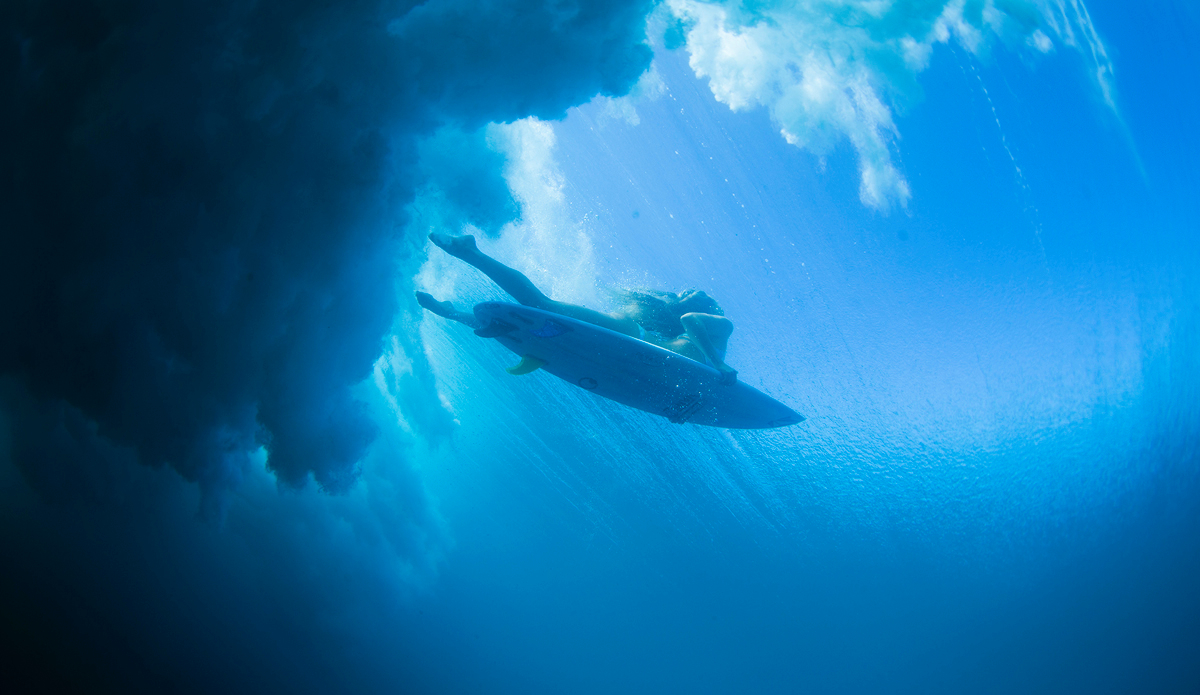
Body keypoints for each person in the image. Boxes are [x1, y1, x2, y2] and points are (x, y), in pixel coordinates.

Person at [416, 233, 738, 384]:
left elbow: (679, 341)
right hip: (623, 332)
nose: (692, 291)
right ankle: (472, 253)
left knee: (511, 328)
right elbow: (687, 319)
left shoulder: (674, 322)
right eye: (693, 291)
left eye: (698, 293)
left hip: (624, 343)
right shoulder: (677, 310)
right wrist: (719, 365)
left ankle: (450, 312)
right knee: (539, 305)